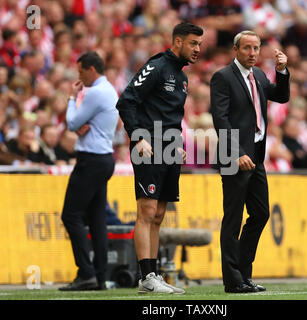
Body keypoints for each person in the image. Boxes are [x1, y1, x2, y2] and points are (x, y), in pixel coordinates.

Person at [115, 22, 203, 294]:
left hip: (169, 148)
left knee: (160, 213)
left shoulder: (182, 76)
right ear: (177, 42)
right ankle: (146, 277)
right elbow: (126, 100)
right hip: (147, 145)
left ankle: (153, 275)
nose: (198, 49)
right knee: (147, 210)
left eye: (199, 44)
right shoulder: (157, 66)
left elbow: (170, 116)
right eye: (193, 43)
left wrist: (177, 144)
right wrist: (137, 137)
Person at [210, 30, 290, 293]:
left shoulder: (257, 75)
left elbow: (280, 96)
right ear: (236, 50)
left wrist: (282, 72)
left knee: (261, 213)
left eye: (256, 48)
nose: (252, 53)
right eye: (246, 48)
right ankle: (233, 281)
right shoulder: (222, 77)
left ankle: (243, 273)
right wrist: (236, 153)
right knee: (233, 219)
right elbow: (221, 120)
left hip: (255, 155)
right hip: (234, 156)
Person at [59, 52, 119, 291]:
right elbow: (82, 124)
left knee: (70, 215)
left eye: (81, 71)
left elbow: (72, 123)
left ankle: (86, 273)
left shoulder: (94, 93)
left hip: (90, 159)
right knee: (96, 219)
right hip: (104, 157)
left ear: (92, 69)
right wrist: (85, 123)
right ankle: (100, 275)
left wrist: (71, 99)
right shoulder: (110, 90)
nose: (79, 76)